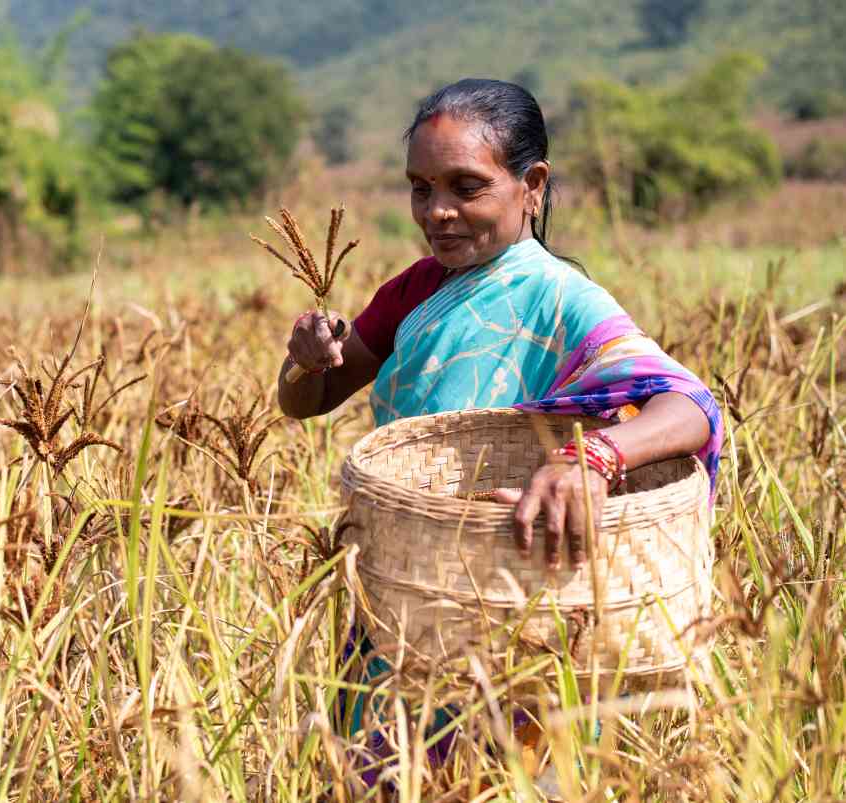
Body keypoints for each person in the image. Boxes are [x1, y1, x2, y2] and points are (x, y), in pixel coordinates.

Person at [276, 78, 723, 786]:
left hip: (525, 602)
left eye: (465, 186)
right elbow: (311, 399)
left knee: (513, 780)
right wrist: (303, 360)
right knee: (380, 774)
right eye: (420, 188)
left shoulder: (563, 300)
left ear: (531, 185)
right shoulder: (415, 289)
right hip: (410, 590)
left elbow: (687, 404)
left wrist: (592, 458)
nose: (438, 212)